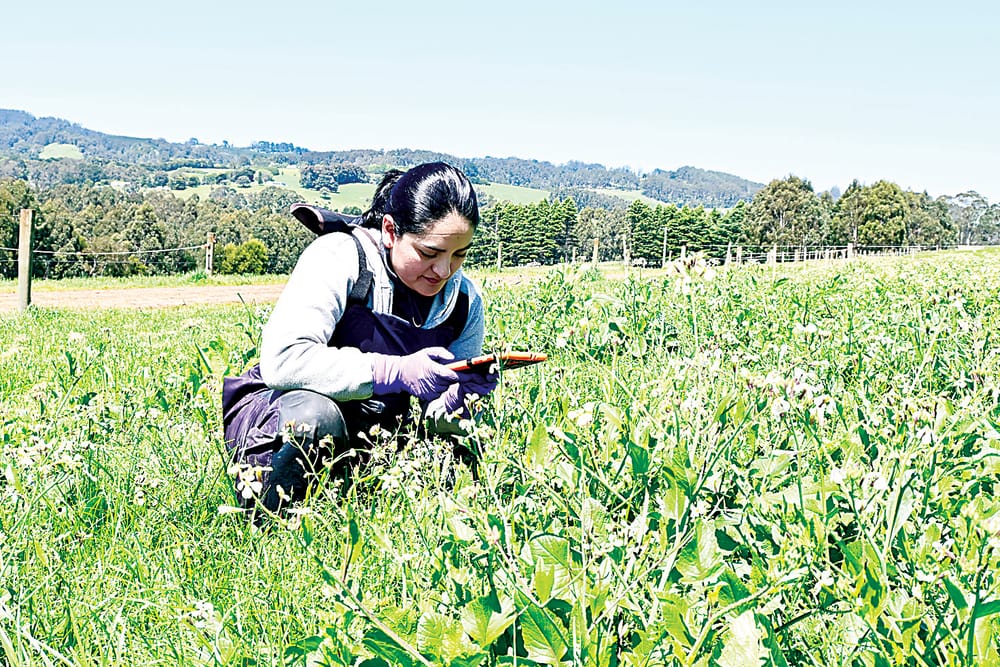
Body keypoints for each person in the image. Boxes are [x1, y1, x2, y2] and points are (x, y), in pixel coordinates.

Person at [221, 162, 496, 515]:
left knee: (468, 432)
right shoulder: (341, 257)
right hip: (286, 408)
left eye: (459, 254)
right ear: (390, 230)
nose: (443, 271)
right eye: (428, 253)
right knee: (313, 418)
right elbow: (284, 361)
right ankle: (271, 525)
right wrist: (393, 371)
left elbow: (435, 419)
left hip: (377, 431)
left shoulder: (463, 302)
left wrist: (459, 398)